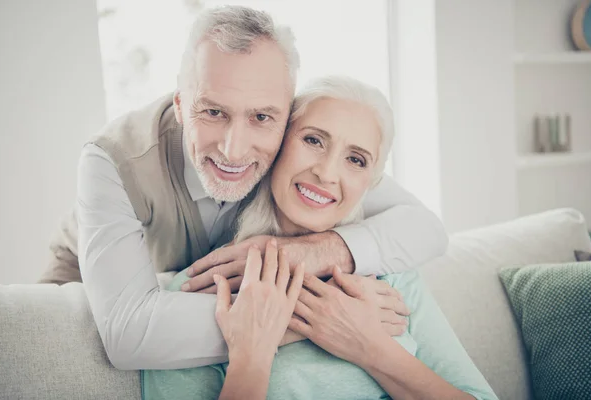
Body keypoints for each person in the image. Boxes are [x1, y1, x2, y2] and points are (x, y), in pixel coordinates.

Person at [40, 5, 447, 370]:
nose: (234, 150)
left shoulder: (301, 148)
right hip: (82, 299)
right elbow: (129, 335)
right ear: (181, 104)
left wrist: (316, 251)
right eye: (213, 112)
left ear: (288, 116)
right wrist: (328, 316)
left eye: (262, 118)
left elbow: (427, 229)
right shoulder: (110, 159)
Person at [141, 76, 498, 400]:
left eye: (356, 160)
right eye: (313, 140)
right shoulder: (202, 290)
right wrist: (252, 356)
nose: (327, 173)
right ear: (277, 143)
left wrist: (369, 347)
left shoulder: (393, 276)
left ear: (370, 183)